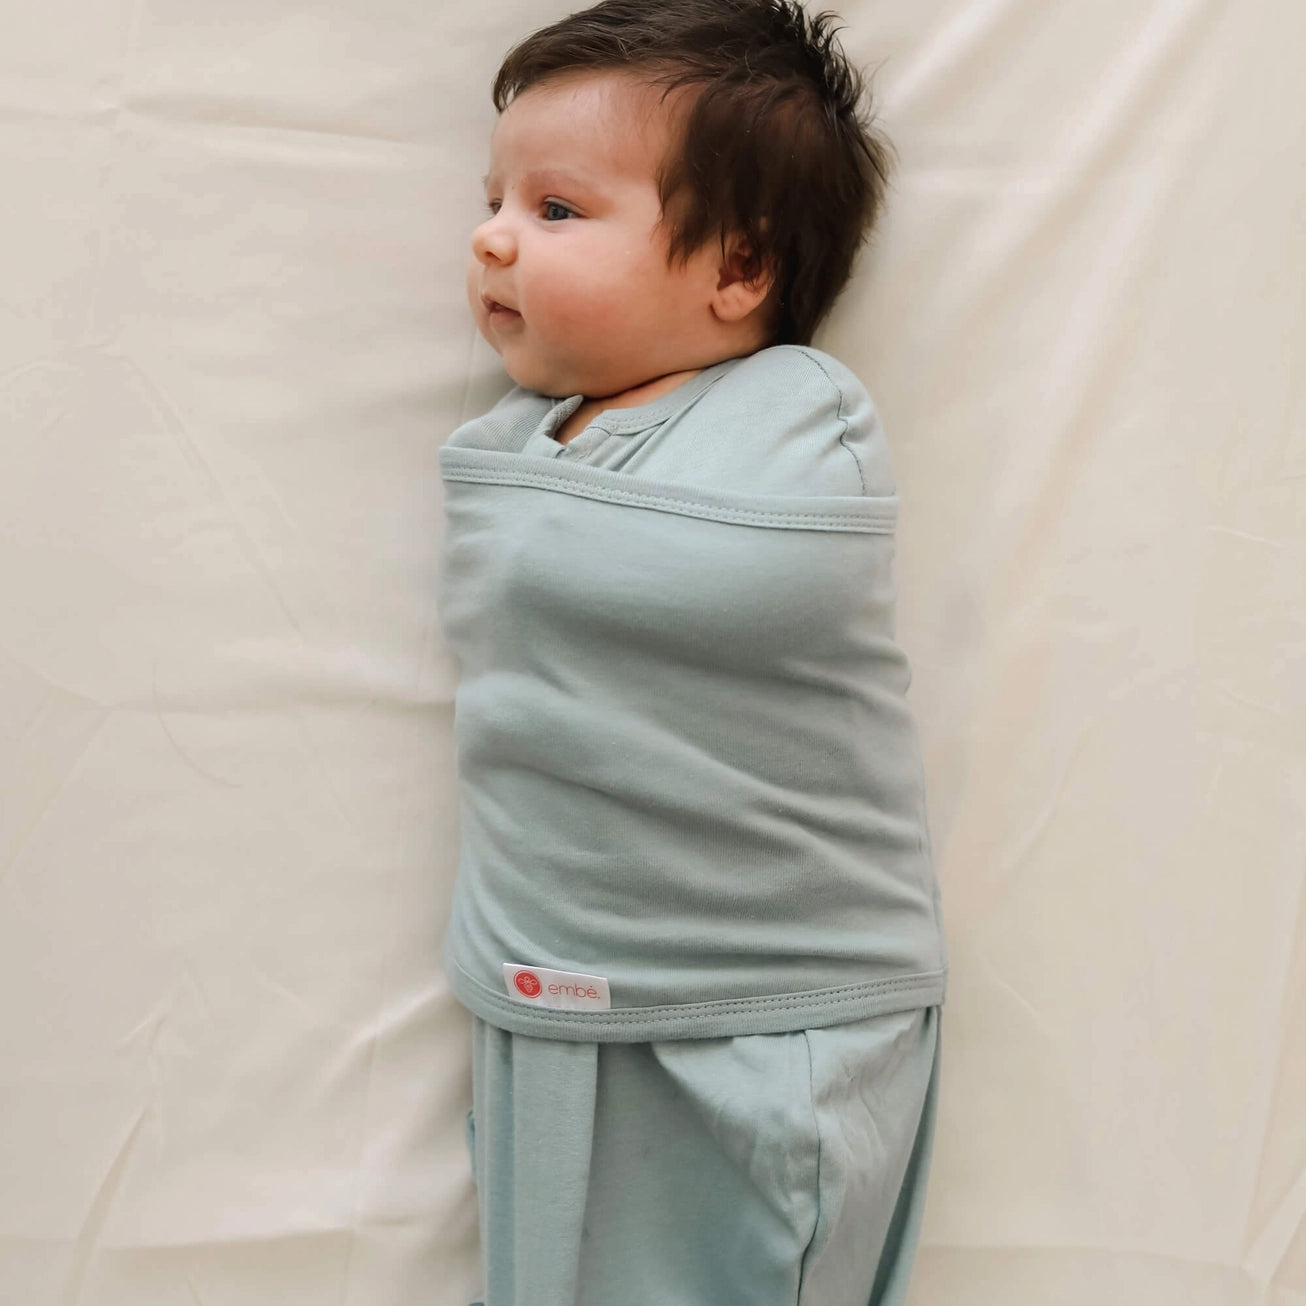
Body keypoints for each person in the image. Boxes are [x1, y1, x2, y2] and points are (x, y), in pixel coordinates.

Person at [438, 3, 947, 1302]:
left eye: (557, 209)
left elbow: (757, 579)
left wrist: (563, 540)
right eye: (495, 200)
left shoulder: (795, 412)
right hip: (552, 972)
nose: (492, 235)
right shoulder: (514, 438)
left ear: (739, 268)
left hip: (775, 1000)